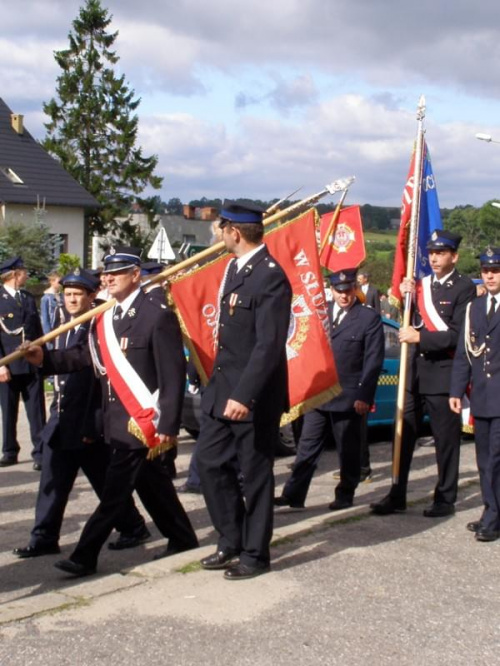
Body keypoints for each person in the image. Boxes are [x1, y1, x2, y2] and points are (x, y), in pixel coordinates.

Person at [23, 246, 198, 577]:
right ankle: (183, 537)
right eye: (105, 274)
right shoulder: (105, 317)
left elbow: (172, 373)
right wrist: (43, 360)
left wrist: (169, 424)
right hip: (117, 420)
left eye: (115, 274)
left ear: (135, 275)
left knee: (114, 493)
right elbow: (84, 358)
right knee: (154, 486)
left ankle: (85, 555)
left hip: (144, 420)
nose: (108, 278)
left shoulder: (155, 314)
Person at [13, 269, 149, 558]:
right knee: (51, 482)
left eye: (78, 295)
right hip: (62, 419)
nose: (72, 299)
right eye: (68, 294)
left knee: (105, 483)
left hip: (87, 422)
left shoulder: (96, 326)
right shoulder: (65, 323)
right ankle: (44, 537)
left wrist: (92, 427)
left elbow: (86, 373)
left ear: (91, 297)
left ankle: (133, 526)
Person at [196, 201, 292, 580]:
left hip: (252, 396)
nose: (219, 235)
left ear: (234, 232)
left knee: (255, 475)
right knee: (208, 462)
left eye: (222, 229)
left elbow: (268, 345)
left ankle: (255, 553)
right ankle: (231, 537)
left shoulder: (270, 276)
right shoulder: (234, 270)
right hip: (223, 389)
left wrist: (244, 395)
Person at [371, 230, 476, 517]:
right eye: (431, 252)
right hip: (413, 372)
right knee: (402, 436)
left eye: (441, 253)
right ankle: (397, 492)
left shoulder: (463, 287)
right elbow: (412, 320)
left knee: (445, 440)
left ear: (454, 256)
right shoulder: (421, 285)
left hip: (442, 373)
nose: (434, 257)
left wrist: (421, 339)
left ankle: (445, 498)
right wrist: (408, 296)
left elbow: (458, 335)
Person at [275, 269, 384, 510]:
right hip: (320, 393)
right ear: (331, 290)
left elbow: (373, 361)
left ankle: (345, 494)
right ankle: (293, 494)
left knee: (348, 449)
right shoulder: (320, 313)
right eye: (339, 291)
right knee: (307, 447)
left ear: (355, 288)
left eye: (348, 290)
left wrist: (364, 396)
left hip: (348, 396)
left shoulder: (368, 318)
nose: (344, 296)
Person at [449, 247, 500, 542]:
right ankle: (491, 508)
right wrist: (457, 389)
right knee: (483, 460)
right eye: (485, 271)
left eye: (495, 271)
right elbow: (464, 354)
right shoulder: (475, 308)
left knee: (495, 458)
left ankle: (493, 516)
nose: (490, 276)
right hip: (481, 396)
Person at [0, 256, 45, 469]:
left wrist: (43, 358)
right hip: (8, 364)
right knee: (8, 411)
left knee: (36, 410)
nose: (27, 275)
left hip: (30, 363)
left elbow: (37, 330)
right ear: (15, 274)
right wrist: (1, 365)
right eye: (24, 271)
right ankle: (9, 451)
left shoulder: (27, 297)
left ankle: (40, 452)